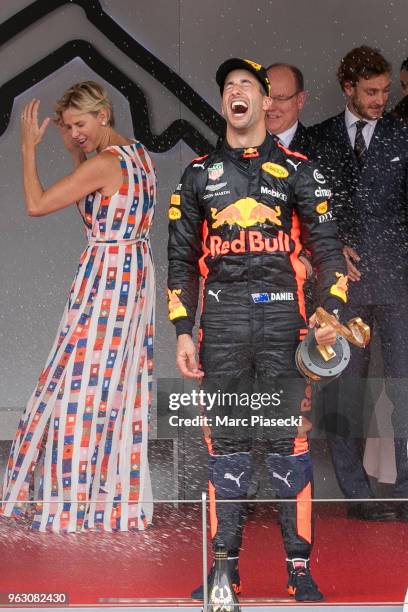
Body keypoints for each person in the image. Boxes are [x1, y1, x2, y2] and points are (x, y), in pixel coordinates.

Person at [168, 58, 347, 602]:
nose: (236, 93)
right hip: (219, 327)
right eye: (228, 87)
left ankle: (299, 569)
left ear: (267, 102)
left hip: (282, 326)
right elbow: (180, 259)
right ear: (224, 103)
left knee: (286, 445)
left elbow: (329, 251)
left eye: (246, 85)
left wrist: (329, 309)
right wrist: (181, 329)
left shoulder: (299, 170)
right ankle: (224, 569)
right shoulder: (197, 173)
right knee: (225, 447)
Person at [1, 81, 156, 533]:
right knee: (110, 389)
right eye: (68, 126)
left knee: (77, 389)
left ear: (103, 114)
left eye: (80, 123)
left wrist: (28, 149)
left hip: (107, 281)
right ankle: (102, 499)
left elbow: (36, 204)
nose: (74, 132)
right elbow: (97, 211)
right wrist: (75, 151)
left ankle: (67, 501)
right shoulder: (137, 154)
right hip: (130, 275)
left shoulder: (107, 163)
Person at [311, 46, 408, 521]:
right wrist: (333, 246)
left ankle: (407, 493)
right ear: (347, 86)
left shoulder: (403, 136)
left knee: (406, 386)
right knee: (342, 391)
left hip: (398, 282)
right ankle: (357, 496)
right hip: (341, 287)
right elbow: (306, 213)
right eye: (370, 91)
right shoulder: (318, 140)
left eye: (385, 91)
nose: (380, 100)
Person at [265, 63, 314, 157]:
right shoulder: (240, 144)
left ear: (300, 100)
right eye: (266, 97)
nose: (270, 107)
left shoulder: (322, 151)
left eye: (280, 98)